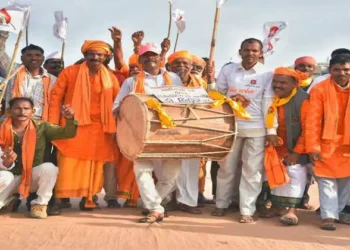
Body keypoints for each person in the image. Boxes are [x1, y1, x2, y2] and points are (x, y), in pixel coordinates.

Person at [113, 42, 183, 223]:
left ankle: (153, 204)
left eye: (154, 56)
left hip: (171, 131)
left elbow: (182, 104)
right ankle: (155, 208)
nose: (151, 58)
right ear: (140, 60)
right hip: (141, 133)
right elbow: (116, 106)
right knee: (142, 170)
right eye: (146, 56)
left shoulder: (174, 78)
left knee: (171, 175)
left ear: (160, 59)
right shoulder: (132, 81)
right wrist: (129, 110)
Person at [49, 40, 120, 211]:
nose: (95, 57)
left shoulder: (110, 77)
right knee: (68, 163)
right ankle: (59, 198)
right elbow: (56, 98)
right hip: (73, 126)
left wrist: (118, 127)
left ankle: (89, 197)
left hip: (100, 128)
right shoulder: (70, 72)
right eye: (91, 54)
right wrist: (52, 125)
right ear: (85, 55)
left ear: (105, 57)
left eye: (99, 54)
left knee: (94, 165)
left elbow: (118, 103)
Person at [212, 38, 277, 223]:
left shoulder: (267, 73)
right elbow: (218, 95)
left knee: (252, 171)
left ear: (260, 53)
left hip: (256, 127)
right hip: (231, 126)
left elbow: (268, 102)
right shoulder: (228, 70)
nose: (250, 54)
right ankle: (221, 204)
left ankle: (246, 210)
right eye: (246, 50)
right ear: (240, 52)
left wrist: (271, 130)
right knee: (226, 168)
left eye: (254, 51)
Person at [0, 97, 77, 218]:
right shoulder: (1, 127)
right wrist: (6, 162)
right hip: (7, 177)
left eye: (26, 108)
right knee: (5, 176)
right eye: (17, 108)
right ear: (9, 111)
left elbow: (68, 133)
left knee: (49, 168)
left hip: (31, 177)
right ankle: (8, 201)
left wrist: (69, 119)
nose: (22, 112)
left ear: (33, 111)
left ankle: (40, 205)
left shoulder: (42, 127)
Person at [306, 54, 350, 231]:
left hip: (347, 145)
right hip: (326, 144)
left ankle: (338, 212)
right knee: (326, 181)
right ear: (330, 70)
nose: (342, 73)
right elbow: (313, 121)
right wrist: (313, 147)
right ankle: (328, 216)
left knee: (345, 181)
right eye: (337, 70)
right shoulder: (320, 89)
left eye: (346, 69)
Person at [264, 67, 309, 226]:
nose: (277, 85)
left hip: (296, 147)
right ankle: (277, 206)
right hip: (277, 147)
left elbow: (308, 129)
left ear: (294, 84)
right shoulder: (271, 97)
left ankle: (292, 211)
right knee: (276, 175)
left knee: (295, 176)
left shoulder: (303, 100)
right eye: (275, 82)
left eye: (283, 82)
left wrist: (297, 153)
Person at [166, 50, 209, 214]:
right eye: (177, 63)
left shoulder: (200, 83)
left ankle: (188, 201)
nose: (181, 66)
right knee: (168, 167)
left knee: (190, 168)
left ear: (191, 66)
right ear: (169, 66)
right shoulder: (164, 81)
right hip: (169, 130)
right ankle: (169, 200)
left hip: (192, 130)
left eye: (185, 63)